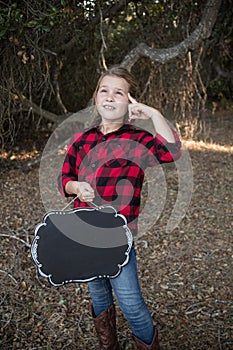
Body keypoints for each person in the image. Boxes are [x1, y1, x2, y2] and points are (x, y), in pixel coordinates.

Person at [58, 66, 182, 349]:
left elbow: (171, 151)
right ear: (96, 98)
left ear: (129, 102)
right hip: (85, 234)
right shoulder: (82, 140)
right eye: (104, 90)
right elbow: (65, 178)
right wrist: (76, 187)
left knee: (130, 303)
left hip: (118, 238)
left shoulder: (136, 140)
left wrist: (152, 114)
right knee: (99, 297)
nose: (110, 97)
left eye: (119, 92)